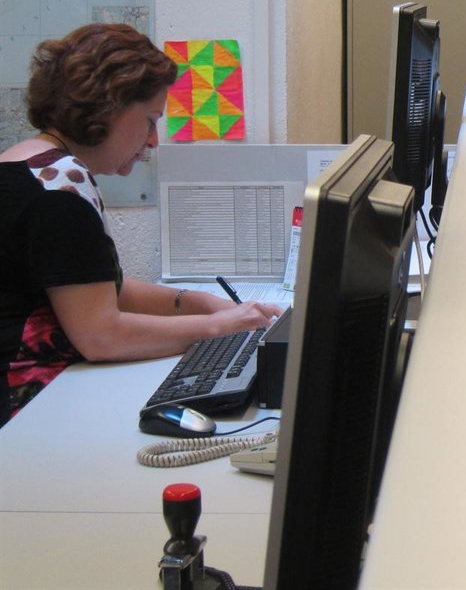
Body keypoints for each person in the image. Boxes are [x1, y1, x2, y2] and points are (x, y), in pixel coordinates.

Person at [0, 23, 282, 427]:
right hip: (25, 414)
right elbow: (101, 335)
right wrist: (218, 327)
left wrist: (197, 303)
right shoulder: (61, 185)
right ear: (108, 106)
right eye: (150, 120)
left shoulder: (27, 164)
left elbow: (95, 288)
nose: (153, 141)